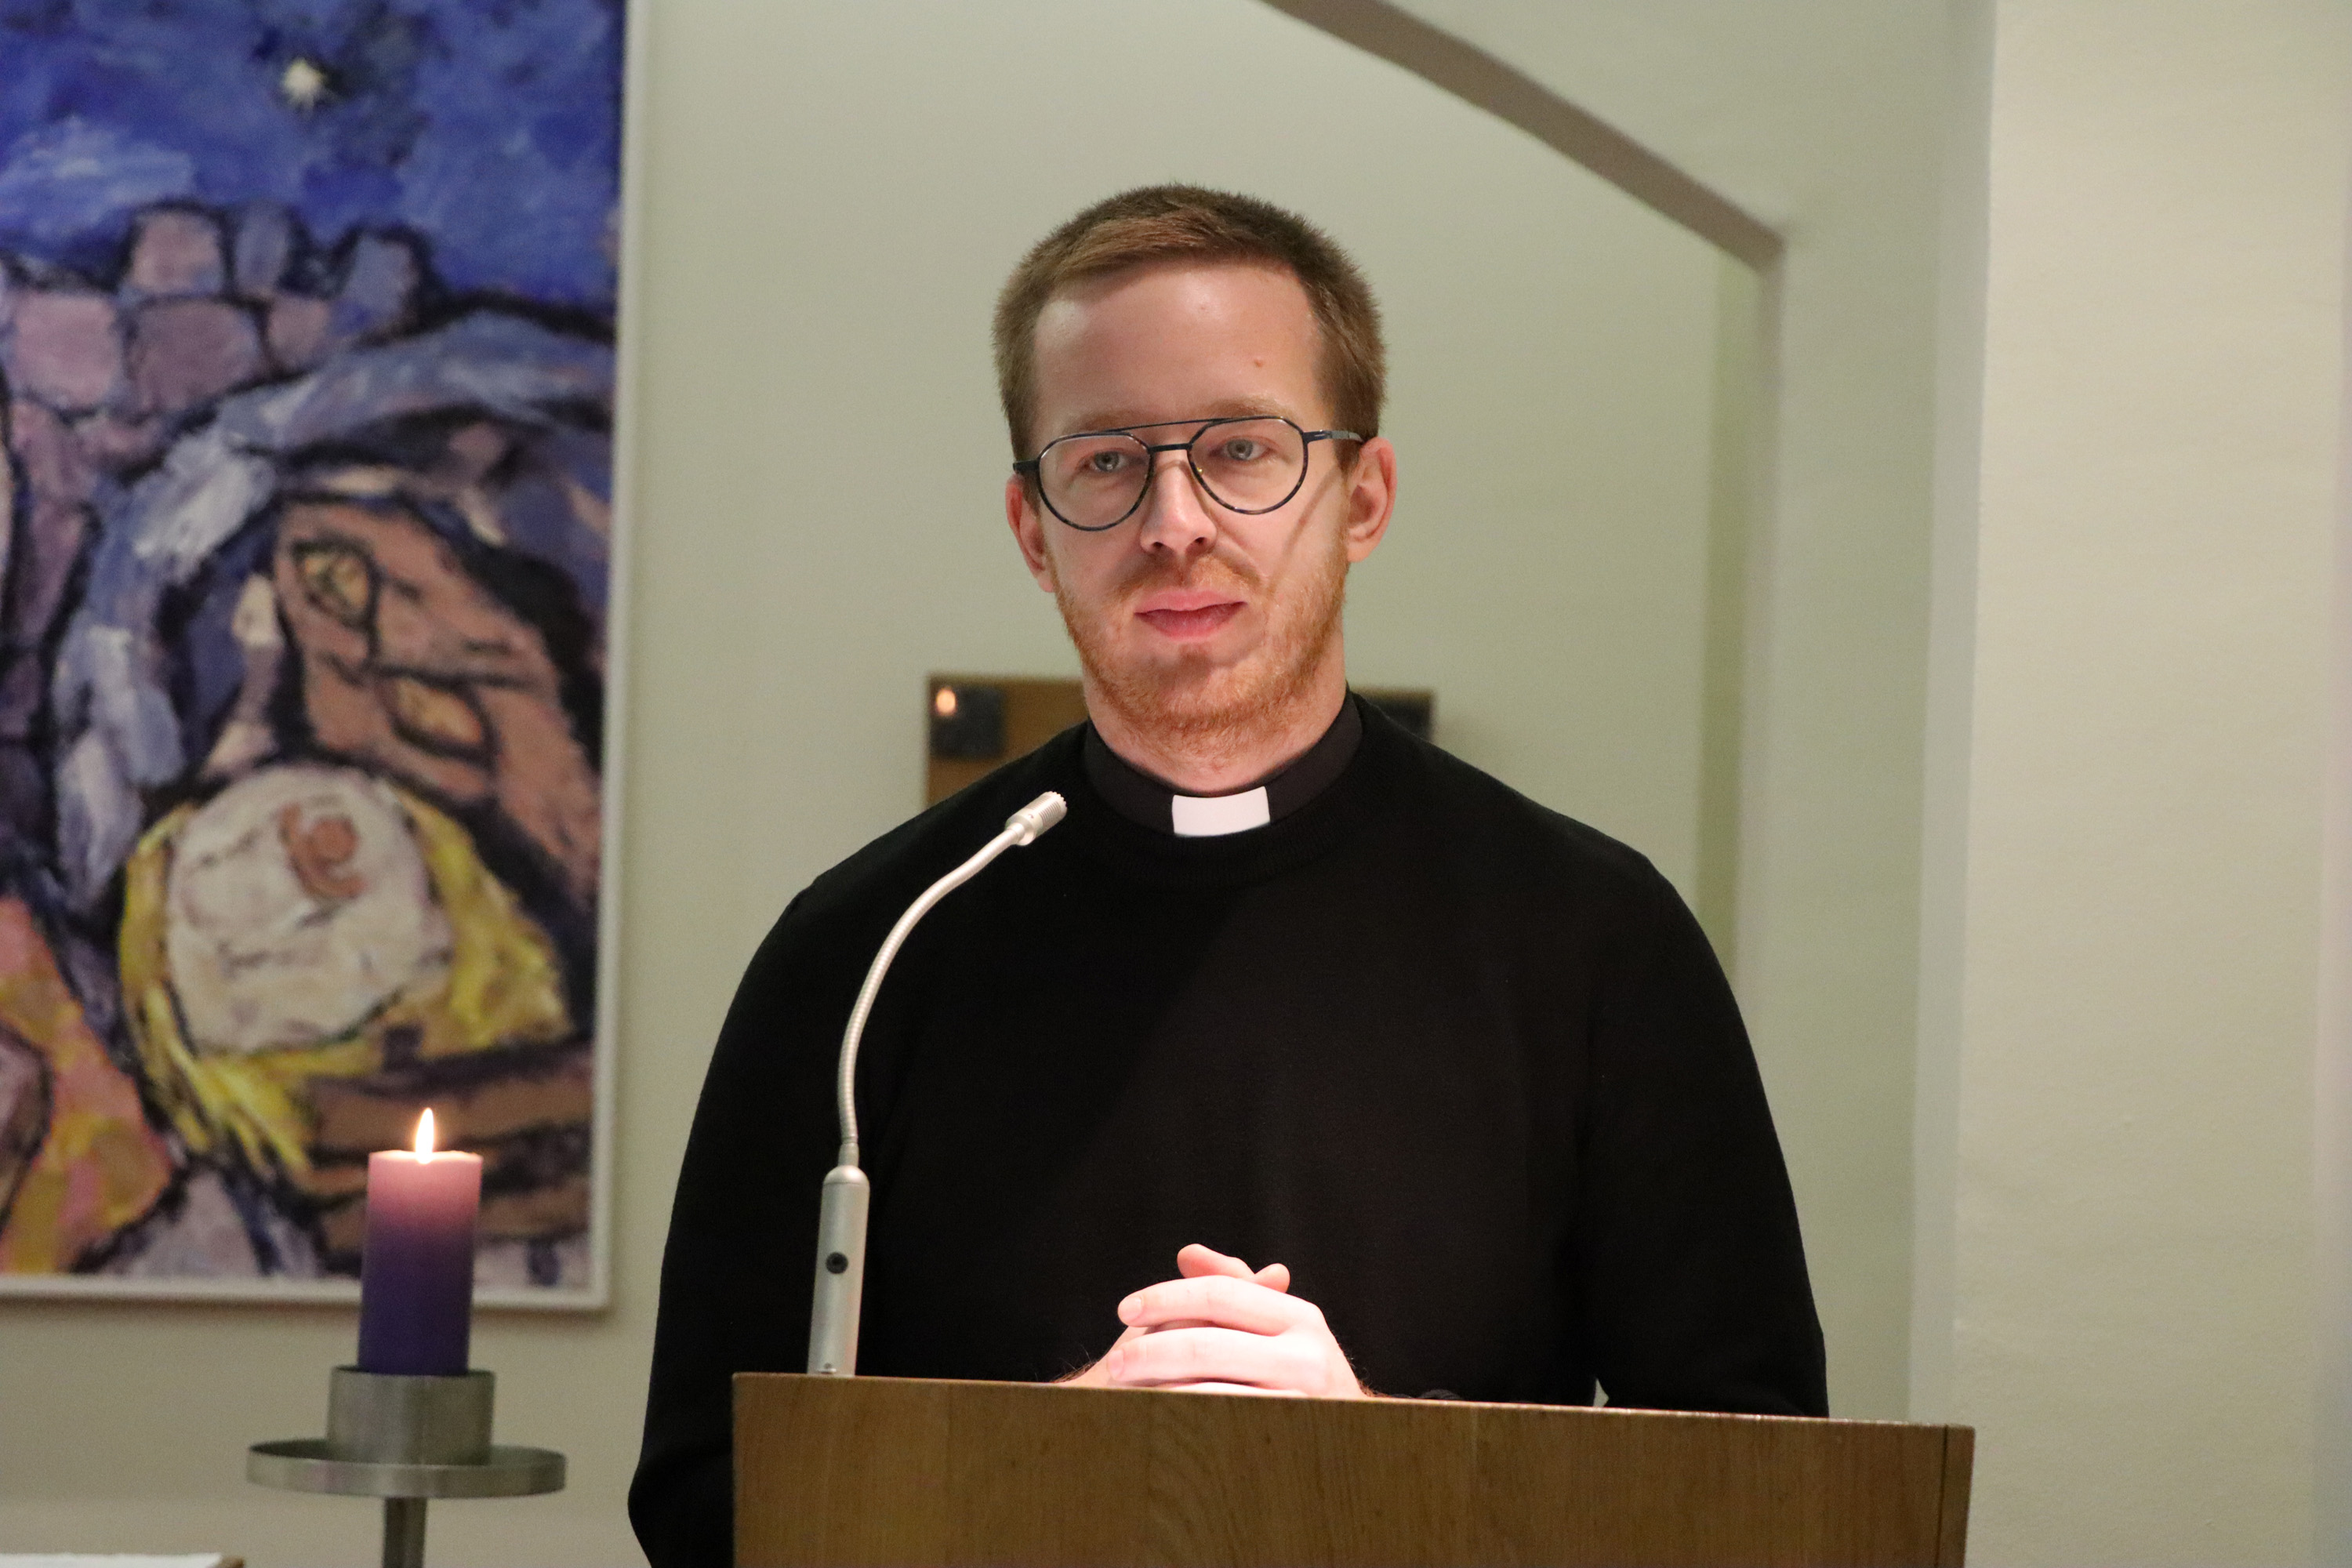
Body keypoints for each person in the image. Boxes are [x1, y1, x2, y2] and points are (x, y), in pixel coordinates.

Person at [630, 186, 1826, 1566]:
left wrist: (1367, 1458)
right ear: (1032, 529)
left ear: (1362, 497)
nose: (1174, 521)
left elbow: (1763, 1493)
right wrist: (1050, 1467)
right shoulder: (871, 945)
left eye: (1243, 449)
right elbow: (702, 1498)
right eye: (1105, 461)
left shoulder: (1595, 940)